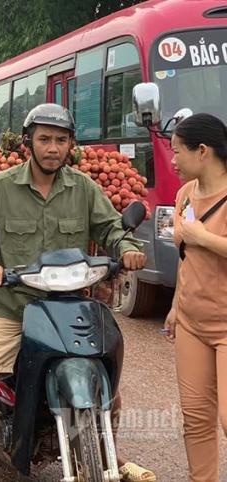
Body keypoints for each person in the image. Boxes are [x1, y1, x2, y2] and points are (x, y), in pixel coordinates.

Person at [0, 104, 155, 482]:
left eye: (61, 140)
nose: (53, 148)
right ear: (29, 143)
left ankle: (109, 456)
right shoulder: (2, 186)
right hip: (14, 307)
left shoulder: (83, 188)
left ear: (71, 145)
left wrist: (126, 248)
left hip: (70, 307)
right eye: (45, 139)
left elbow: (111, 229)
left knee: (109, 389)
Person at [164, 113, 227, 482]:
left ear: (202, 151)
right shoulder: (184, 194)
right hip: (191, 321)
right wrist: (173, 307)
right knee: (196, 417)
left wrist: (203, 236)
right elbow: (185, 256)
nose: (172, 159)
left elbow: (198, 242)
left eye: (177, 151)